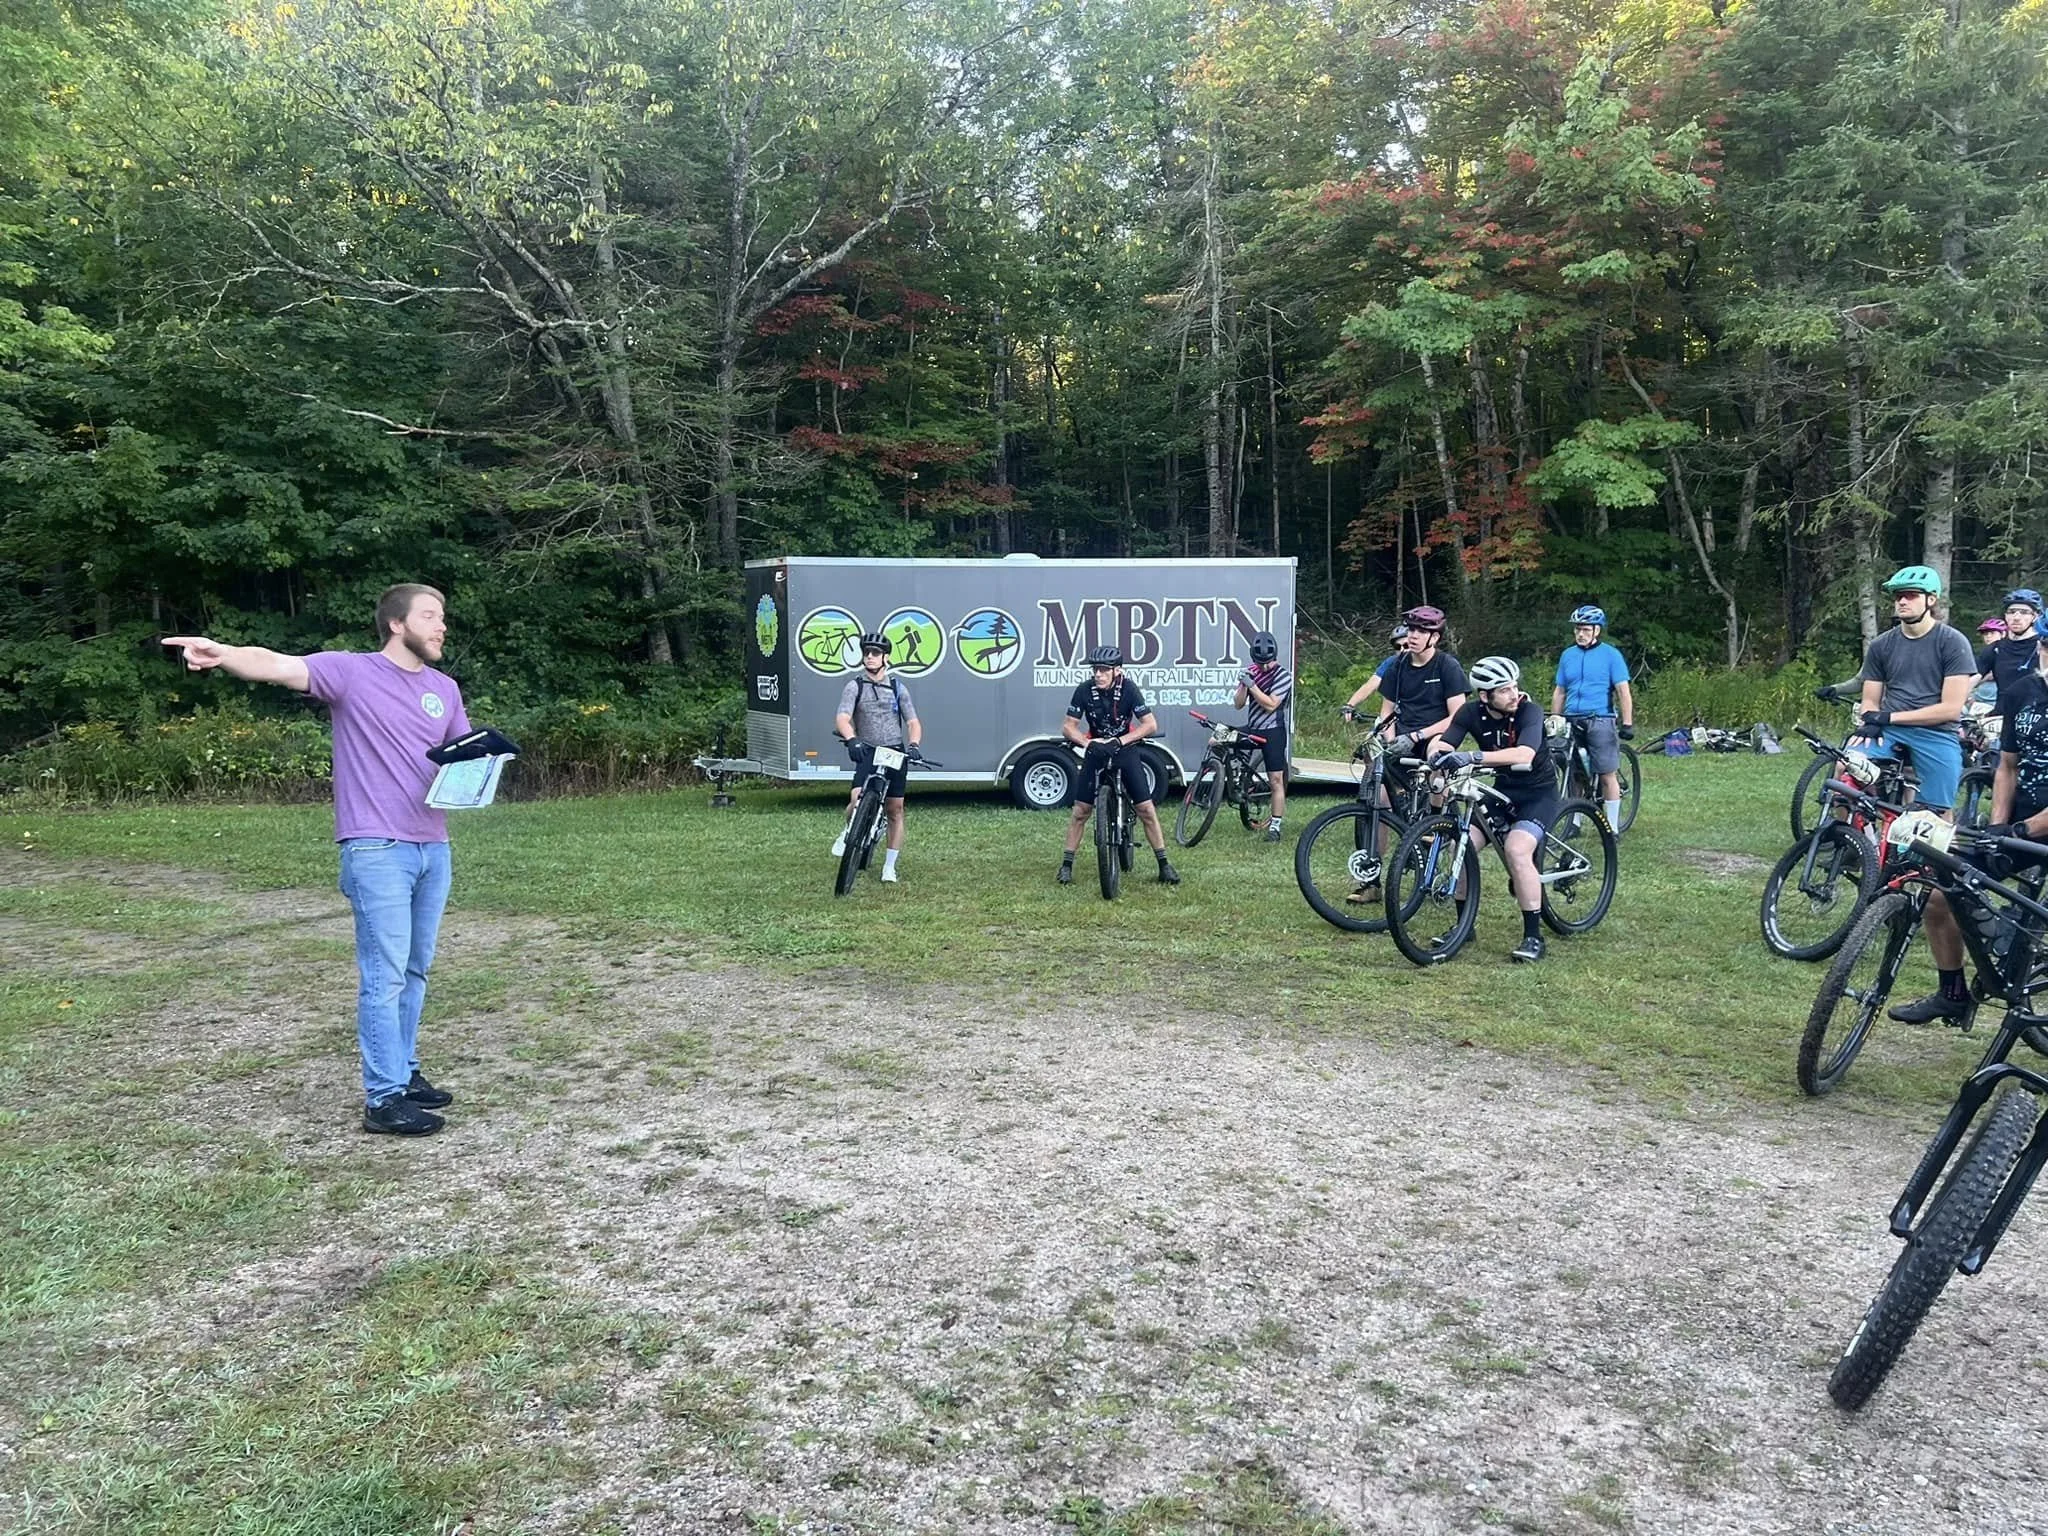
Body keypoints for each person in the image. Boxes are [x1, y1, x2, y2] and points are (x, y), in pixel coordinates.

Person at [163, 585, 471, 1136]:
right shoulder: (350, 673)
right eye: (430, 616)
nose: (441, 626)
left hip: (434, 846)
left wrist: (484, 764)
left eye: (442, 617)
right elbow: (276, 665)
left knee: (415, 969)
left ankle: (404, 1069)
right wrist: (225, 653)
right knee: (385, 975)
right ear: (397, 625)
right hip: (376, 846)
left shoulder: (444, 689)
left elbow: (461, 757)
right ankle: (384, 1099)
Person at [1892, 618, 2048, 1025]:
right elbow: (2007, 767)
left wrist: (2020, 831)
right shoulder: (2022, 693)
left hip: (2031, 830)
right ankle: (1954, 994)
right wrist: (1999, 826)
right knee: (1943, 890)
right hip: (2019, 826)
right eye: (2047, 646)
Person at [1425, 654, 1561, 964]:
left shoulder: (1530, 711)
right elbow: (1446, 743)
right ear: (1485, 696)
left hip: (1538, 793)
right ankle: (1464, 926)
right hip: (1501, 790)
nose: (1514, 694)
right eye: (1504, 689)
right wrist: (1436, 754)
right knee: (1461, 845)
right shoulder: (1470, 712)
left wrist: (1473, 758)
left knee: (1516, 850)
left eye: (1514, 686)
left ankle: (1533, 936)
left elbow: (1525, 752)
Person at [1340, 606, 1467, 902]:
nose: (1412, 636)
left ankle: (1435, 820)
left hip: (1436, 735)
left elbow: (1458, 715)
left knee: (1436, 753)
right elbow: (1387, 710)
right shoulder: (1398, 665)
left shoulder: (1446, 666)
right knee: (1378, 800)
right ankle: (1371, 882)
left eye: (1420, 631)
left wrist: (1417, 736)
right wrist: (1390, 737)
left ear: (1434, 637)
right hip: (1403, 737)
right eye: (1410, 630)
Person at [1851, 565, 1976, 814]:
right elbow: (1870, 699)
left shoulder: (1952, 642)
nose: (1902, 601)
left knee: (1938, 811)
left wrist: (1887, 716)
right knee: (1846, 770)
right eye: (1898, 596)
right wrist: (1871, 718)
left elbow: (1950, 710)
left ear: (1931, 599)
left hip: (1937, 732)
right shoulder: (1881, 645)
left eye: (1911, 595)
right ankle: (1846, 841)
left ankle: (1944, 850)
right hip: (1888, 730)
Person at [1058, 644, 1180, 886]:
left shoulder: (1129, 689)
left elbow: (1150, 724)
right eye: (1095, 669)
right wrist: (1086, 743)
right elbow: (1068, 726)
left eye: (1104, 670)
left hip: (1125, 750)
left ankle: (1164, 864)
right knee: (1081, 811)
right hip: (1095, 750)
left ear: (1118, 671)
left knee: (1146, 809)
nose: (1098, 674)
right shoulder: (1084, 690)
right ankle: (1066, 865)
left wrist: (1120, 740)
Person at [831, 630, 922, 884]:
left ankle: (889, 867)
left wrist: (913, 744)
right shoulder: (854, 686)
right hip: (868, 749)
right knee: (856, 799)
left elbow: (913, 721)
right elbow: (842, 717)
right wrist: (851, 739)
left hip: (894, 751)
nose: (870, 657)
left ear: (886, 658)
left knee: (895, 809)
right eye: (866, 652)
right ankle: (848, 831)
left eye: (876, 653)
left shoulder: (897, 687)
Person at [1550, 605, 1635, 831]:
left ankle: (1612, 827)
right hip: (1571, 719)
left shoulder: (1611, 655)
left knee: (1607, 773)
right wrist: (1556, 718)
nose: (1580, 634)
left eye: (1586, 629)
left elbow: (1623, 691)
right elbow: (1560, 690)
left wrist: (1627, 723)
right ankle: (1574, 823)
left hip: (1600, 718)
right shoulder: (1568, 655)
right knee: (1574, 772)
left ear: (1597, 631)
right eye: (1577, 629)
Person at [1235, 630, 1293, 841]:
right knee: (1217, 737)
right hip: (1253, 727)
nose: (1264, 666)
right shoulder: (1251, 671)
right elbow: (1238, 704)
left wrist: (1253, 686)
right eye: (1260, 663)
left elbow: (1270, 705)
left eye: (1268, 662)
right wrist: (1243, 684)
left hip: (1273, 731)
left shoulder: (1284, 676)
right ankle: (1225, 783)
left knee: (1275, 779)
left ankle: (1275, 827)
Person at [1975, 589, 2042, 716]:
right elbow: (1970, 679)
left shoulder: (2043, 647)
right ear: (2005, 616)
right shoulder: (1995, 649)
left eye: (2024, 612)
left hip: (2036, 720)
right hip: (2002, 718)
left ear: (2035, 616)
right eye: (2011, 612)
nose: (2016, 617)